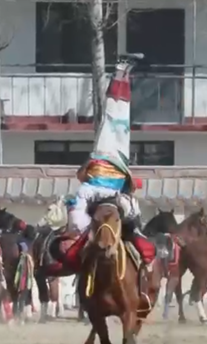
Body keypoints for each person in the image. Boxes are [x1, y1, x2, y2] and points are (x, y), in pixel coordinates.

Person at [55, 53, 156, 280]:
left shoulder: (90, 185)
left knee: (119, 115)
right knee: (113, 116)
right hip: (111, 176)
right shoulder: (99, 187)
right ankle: (121, 70)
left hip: (109, 171)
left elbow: (81, 185)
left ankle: (124, 72)